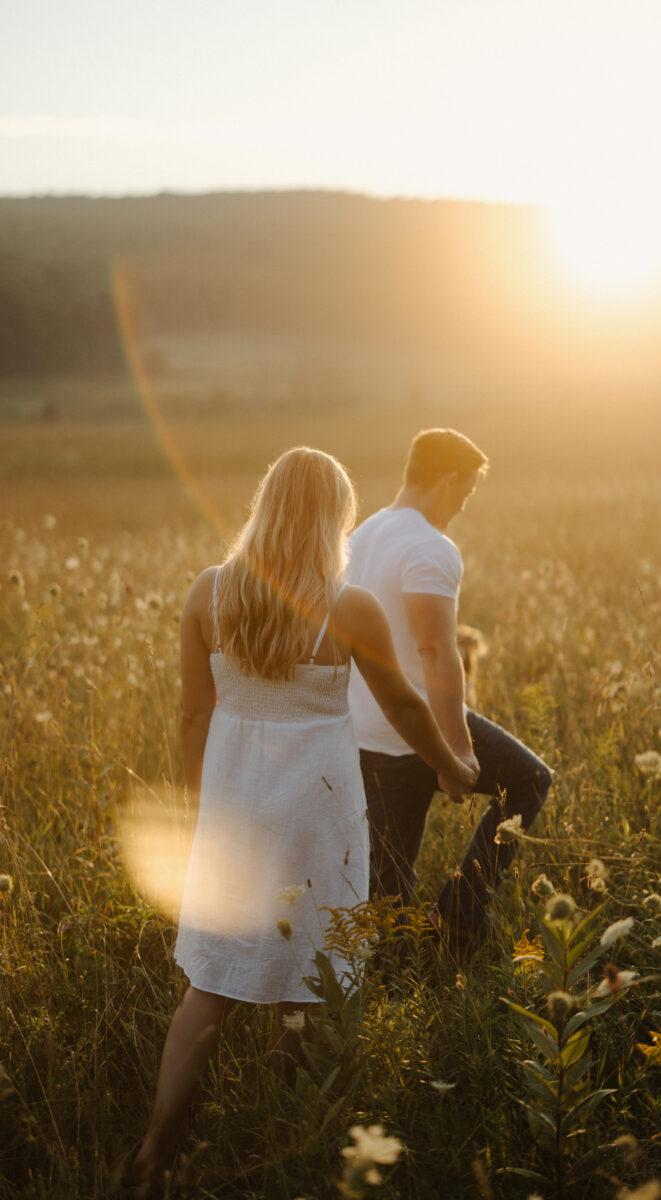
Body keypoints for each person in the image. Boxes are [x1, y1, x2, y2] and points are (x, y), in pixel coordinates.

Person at [132, 448, 476, 1192]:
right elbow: (404, 705)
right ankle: (279, 1137)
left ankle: (158, 1144)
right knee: (306, 981)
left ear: (265, 506)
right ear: (334, 519)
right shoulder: (347, 606)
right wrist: (451, 763)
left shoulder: (208, 593)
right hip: (315, 811)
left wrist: (205, 818)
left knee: (211, 986)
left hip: (234, 807)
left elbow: (194, 716)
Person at [347, 428, 552, 951]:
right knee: (529, 781)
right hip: (414, 729)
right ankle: (460, 913)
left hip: (361, 732)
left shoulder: (359, 538)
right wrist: (454, 753)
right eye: (465, 493)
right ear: (447, 481)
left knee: (387, 890)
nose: (462, 507)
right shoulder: (432, 548)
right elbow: (438, 655)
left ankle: (387, 979)